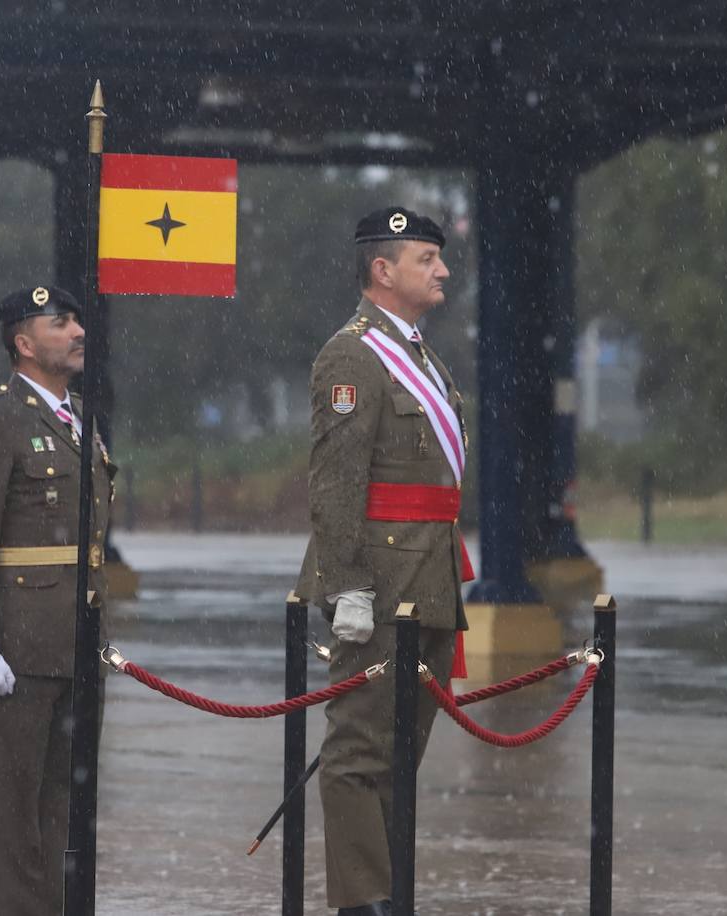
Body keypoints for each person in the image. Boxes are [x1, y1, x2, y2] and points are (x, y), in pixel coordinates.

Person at [295, 207, 474, 916]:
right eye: (426, 258)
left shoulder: (422, 356)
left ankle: (391, 895)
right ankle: (363, 902)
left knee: (402, 757)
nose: (442, 270)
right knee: (356, 756)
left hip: (429, 579)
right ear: (383, 270)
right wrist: (346, 588)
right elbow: (336, 482)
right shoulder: (352, 356)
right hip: (379, 583)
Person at [0, 285, 116, 915]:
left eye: (76, 321)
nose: (77, 332)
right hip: (18, 648)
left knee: (64, 808)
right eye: (59, 323)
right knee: (17, 815)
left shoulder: (79, 418)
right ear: (24, 343)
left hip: (76, 643)